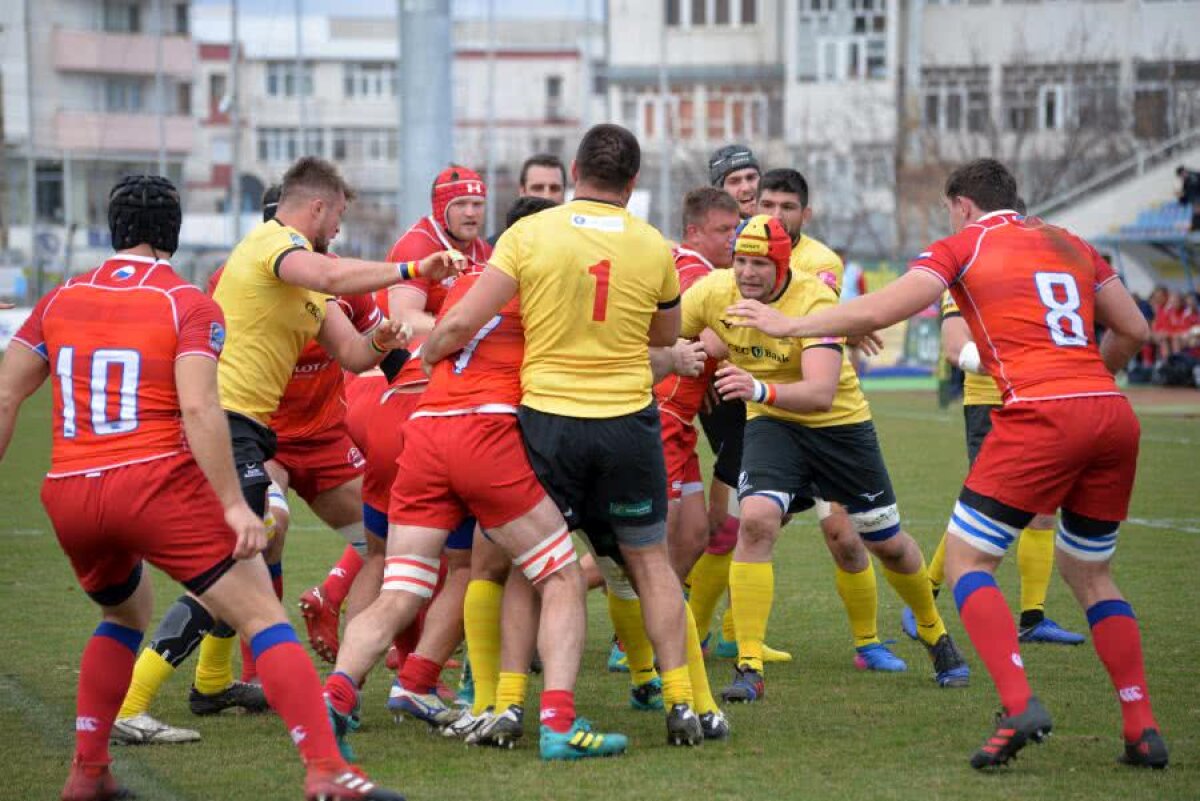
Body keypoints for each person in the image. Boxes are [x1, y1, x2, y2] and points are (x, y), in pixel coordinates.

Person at [727, 157, 1167, 770]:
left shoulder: (962, 245)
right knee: (1092, 574)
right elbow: (1135, 327)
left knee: (965, 561)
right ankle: (1141, 726)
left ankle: (1017, 705)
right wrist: (1093, 373)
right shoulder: (1071, 242)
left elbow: (882, 310)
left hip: (1038, 413)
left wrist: (791, 324)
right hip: (1110, 413)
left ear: (961, 204)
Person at [0, 175, 404, 801]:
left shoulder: (60, 298)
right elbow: (199, 408)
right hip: (155, 481)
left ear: (111, 227)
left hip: (70, 491)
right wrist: (226, 506)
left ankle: (89, 772)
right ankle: (327, 773)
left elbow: (6, 392)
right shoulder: (186, 300)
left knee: (124, 610)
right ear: (175, 232)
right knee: (260, 609)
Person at [120, 156, 455, 739]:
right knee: (233, 567)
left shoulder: (306, 289)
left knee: (368, 540)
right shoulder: (274, 244)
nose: (339, 231)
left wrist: (383, 336)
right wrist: (409, 268)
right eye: (338, 217)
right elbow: (328, 275)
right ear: (318, 208)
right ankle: (131, 704)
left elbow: (354, 355)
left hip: (266, 431)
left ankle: (218, 683)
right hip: (227, 425)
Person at [425, 123, 706, 747]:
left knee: (532, 567)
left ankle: (512, 706)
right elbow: (666, 338)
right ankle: (681, 702)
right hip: (628, 423)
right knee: (650, 564)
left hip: (548, 422)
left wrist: (431, 352)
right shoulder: (654, 246)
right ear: (632, 185)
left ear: (574, 170)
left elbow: (470, 314)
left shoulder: (530, 233)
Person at [323, 254, 629, 761]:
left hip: (422, 432)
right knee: (560, 576)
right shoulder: (545, 290)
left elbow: (438, 330)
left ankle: (333, 702)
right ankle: (558, 724)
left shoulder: (470, 283)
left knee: (400, 591)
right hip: (485, 429)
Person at [680, 214, 968, 704]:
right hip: (772, 424)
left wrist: (755, 387)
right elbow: (666, 333)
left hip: (839, 428)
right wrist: (680, 359)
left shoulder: (815, 298)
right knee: (755, 522)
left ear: (782, 263)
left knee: (887, 544)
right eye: (741, 261)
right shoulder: (713, 291)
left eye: (759, 264)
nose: (747, 273)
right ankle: (748, 665)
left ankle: (934, 632)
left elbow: (818, 393)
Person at [299, 166, 486, 701]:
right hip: (408, 408)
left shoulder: (482, 252)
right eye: (462, 205)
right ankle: (425, 678)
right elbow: (405, 320)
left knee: (387, 557)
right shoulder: (418, 246)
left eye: (479, 204)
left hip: (387, 410)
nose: (472, 213)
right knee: (467, 562)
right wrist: (473, 321)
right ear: (439, 206)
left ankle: (349, 682)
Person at [898, 292, 1087, 646]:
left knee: (1044, 510)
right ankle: (923, 599)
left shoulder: (1034, 270)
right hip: (991, 402)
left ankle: (1034, 618)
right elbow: (958, 345)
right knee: (982, 506)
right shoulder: (968, 271)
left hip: (1036, 399)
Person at [708, 143, 760, 218]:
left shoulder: (781, 222)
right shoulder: (709, 228)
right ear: (719, 192)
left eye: (751, 177)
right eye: (734, 181)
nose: (746, 188)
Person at [1175, 165, 1200, 231]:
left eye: (1181, 175)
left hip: (1197, 201)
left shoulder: (1195, 176)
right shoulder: (1185, 183)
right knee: (1196, 219)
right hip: (1195, 203)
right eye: (1180, 176)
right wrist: (1180, 197)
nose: (1181, 177)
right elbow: (1185, 201)